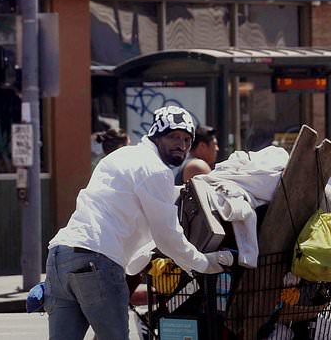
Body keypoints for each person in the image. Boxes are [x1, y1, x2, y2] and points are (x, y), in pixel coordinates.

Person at [47, 105, 234, 340]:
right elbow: (168, 237)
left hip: (60, 256)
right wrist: (204, 262)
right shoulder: (155, 170)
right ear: (156, 135)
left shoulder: (121, 156)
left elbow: (125, 208)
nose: (182, 145)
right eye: (173, 136)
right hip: (97, 259)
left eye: (187, 139)